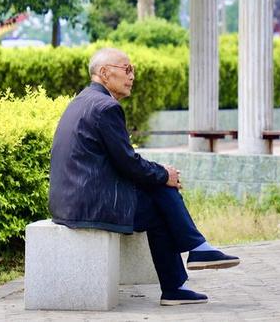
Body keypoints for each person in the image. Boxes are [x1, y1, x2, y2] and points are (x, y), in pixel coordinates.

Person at [49, 48, 240, 306]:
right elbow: (128, 163)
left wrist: (160, 175)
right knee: (162, 196)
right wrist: (164, 174)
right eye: (126, 69)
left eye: (133, 70)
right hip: (90, 205)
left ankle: (187, 267)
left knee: (159, 193)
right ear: (104, 73)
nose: (132, 76)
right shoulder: (106, 107)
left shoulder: (84, 100)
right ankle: (190, 261)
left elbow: (123, 161)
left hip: (74, 201)